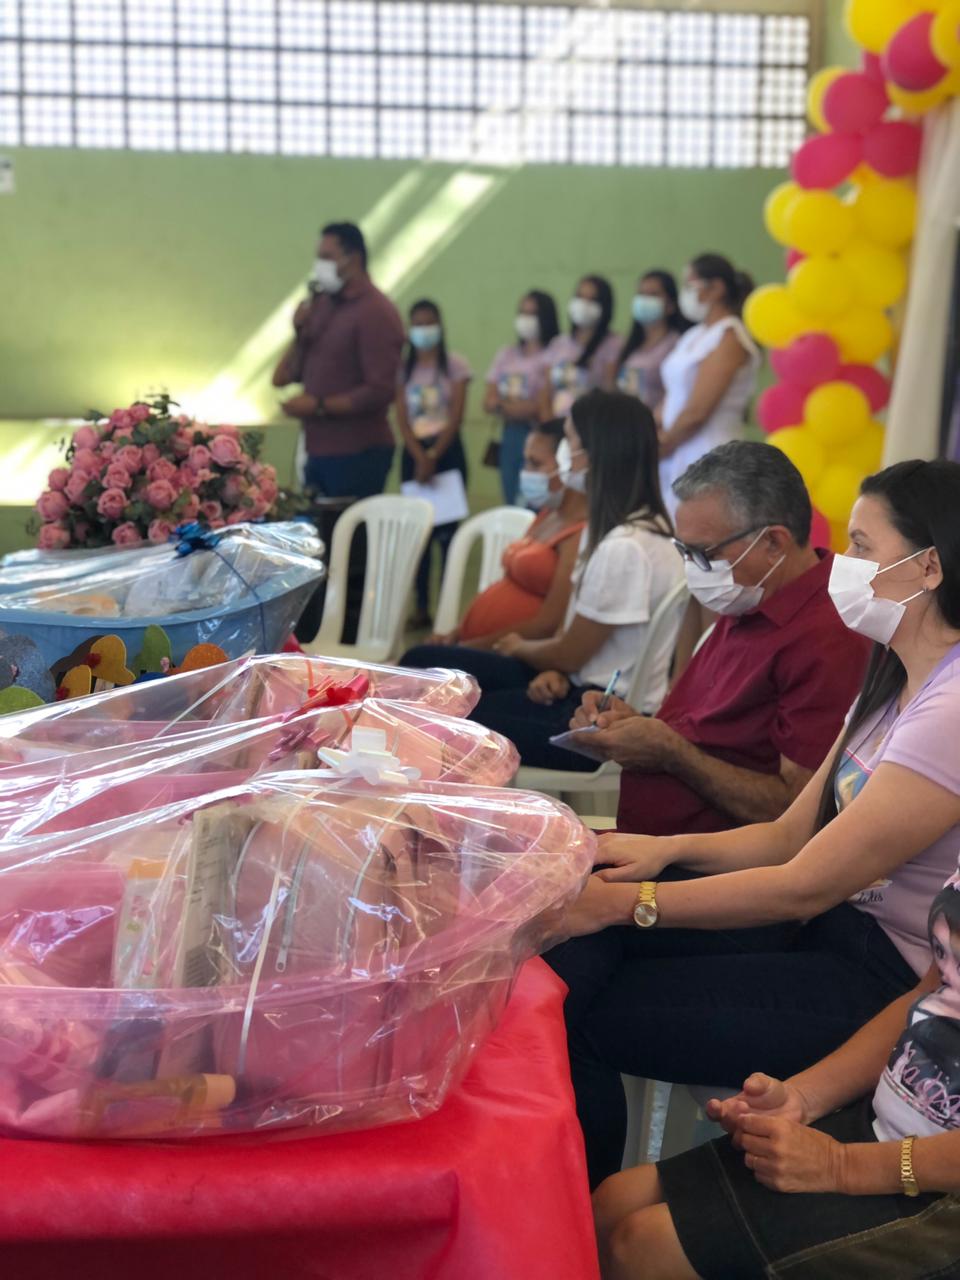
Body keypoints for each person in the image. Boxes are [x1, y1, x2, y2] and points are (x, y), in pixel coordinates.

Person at [547, 459, 960, 1192]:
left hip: (880, 981)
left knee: (582, 1011)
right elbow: (788, 835)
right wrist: (661, 853)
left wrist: (632, 903)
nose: (844, 565)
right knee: (574, 939)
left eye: (862, 546)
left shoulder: (950, 709)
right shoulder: (895, 676)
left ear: (928, 567)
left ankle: (569, 1207)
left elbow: (803, 883)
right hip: (826, 931)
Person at [593, 879, 960, 1280]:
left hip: (937, 1184)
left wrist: (840, 1165)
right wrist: (802, 1098)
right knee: (613, 1203)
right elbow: (932, 995)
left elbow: (806, 881)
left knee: (643, 1248)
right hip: (885, 1123)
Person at [568, 441, 871, 837]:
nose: (693, 569)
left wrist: (670, 751)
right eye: (683, 550)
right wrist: (631, 727)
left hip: (708, 861)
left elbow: (794, 812)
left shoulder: (828, 635)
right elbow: (710, 733)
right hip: (653, 838)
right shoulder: (750, 593)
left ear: (773, 543)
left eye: (704, 554)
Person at [403, 390, 683, 770]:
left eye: (569, 441)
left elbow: (571, 651)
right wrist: (553, 668)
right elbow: (579, 651)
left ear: (596, 454)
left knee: (444, 710)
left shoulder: (626, 546)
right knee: (427, 669)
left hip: (598, 716)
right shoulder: (628, 530)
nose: (564, 454)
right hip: (575, 687)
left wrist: (518, 646)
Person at [419, 419, 587, 649]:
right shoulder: (547, 515)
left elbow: (547, 625)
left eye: (535, 464)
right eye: (525, 461)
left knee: (415, 658)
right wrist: (455, 635)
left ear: (567, 466)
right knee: (420, 655)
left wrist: (468, 648)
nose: (525, 472)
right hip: (474, 644)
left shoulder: (579, 533)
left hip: (509, 653)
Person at [273, 221, 404, 499]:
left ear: (352, 259)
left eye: (326, 257)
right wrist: (298, 332)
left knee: (348, 528)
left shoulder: (376, 310)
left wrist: (318, 406)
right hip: (317, 448)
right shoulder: (322, 305)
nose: (319, 265)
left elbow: (380, 390)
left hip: (358, 451)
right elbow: (282, 378)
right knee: (317, 526)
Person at [658, 254, 760, 518]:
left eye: (689, 284)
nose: (685, 293)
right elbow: (672, 394)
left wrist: (662, 445)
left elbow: (698, 411)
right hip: (674, 451)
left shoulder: (730, 336)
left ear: (716, 288)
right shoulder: (694, 335)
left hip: (710, 453)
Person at [395, 299, 472, 630]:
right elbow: (401, 418)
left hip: (447, 453)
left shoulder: (455, 366)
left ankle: (448, 611)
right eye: (418, 323)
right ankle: (421, 607)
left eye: (429, 322)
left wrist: (434, 455)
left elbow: (456, 416)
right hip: (414, 454)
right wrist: (419, 455)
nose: (424, 330)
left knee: (448, 537)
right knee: (420, 535)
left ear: (440, 325)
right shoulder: (403, 369)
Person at [484, 290, 560, 505]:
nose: (526, 319)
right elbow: (488, 401)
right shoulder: (507, 354)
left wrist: (507, 405)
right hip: (511, 435)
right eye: (522, 312)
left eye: (532, 314)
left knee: (539, 497)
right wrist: (514, 407)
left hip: (540, 432)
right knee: (512, 496)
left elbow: (541, 405)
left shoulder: (553, 353)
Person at [538, 276, 621, 420]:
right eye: (580, 297)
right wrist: (548, 424)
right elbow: (546, 391)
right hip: (558, 422)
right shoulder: (559, 344)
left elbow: (610, 390)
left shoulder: (614, 344)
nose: (584, 304)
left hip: (593, 424)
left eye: (592, 299)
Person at [608, 271, 688, 413]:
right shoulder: (630, 345)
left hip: (656, 421)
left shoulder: (677, 344)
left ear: (671, 305)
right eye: (641, 294)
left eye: (653, 295)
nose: (645, 300)